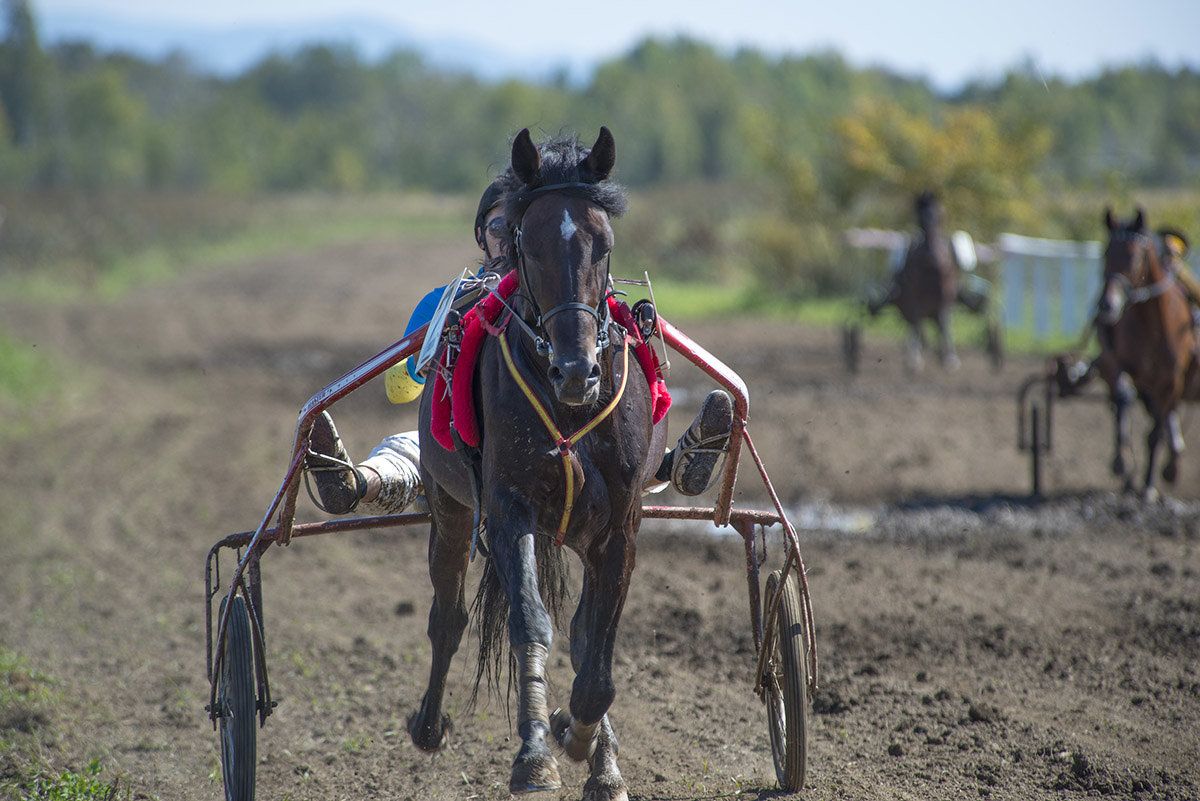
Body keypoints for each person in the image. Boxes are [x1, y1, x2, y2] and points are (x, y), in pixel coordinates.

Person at [306, 175, 734, 517]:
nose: (511, 241)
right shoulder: (446, 299)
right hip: (470, 445)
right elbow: (398, 391)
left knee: (619, 434)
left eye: (523, 231)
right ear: (480, 236)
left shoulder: (570, 301)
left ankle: (671, 463)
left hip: (579, 443)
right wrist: (438, 340)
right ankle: (357, 484)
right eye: (500, 229)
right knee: (412, 447)